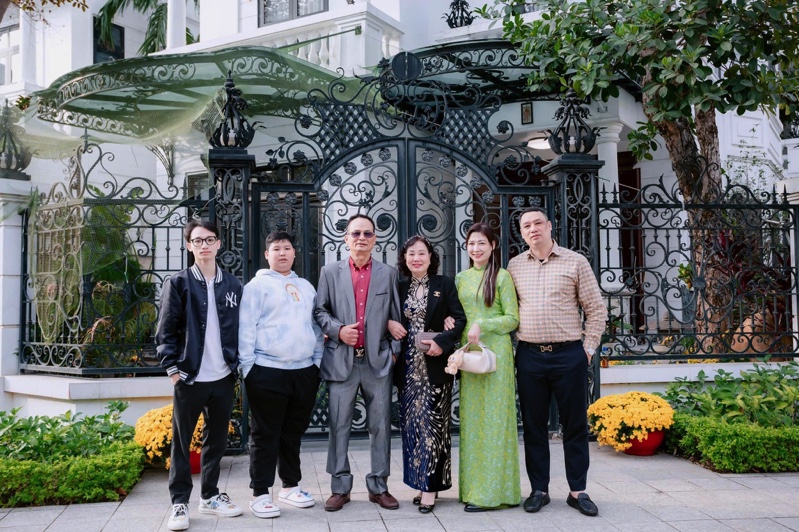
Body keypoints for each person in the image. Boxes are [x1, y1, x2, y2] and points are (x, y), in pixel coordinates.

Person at [507, 207, 605, 517]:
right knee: (533, 426)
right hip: (529, 356)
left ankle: (578, 491)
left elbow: (596, 309)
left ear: (549, 226)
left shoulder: (575, 262)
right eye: (526, 225)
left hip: (568, 354)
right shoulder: (514, 266)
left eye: (538, 222)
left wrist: (587, 349)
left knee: (574, 425)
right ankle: (539, 490)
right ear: (522, 232)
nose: (533, 229)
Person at [156, 219, 243, 531]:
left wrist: (236, 366)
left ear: (218, 243)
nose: (204, 245)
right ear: (188, 245)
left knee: (216, 441)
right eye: (197, 240)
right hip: (189, 377)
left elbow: (239, 327)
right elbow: (165, 329)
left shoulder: (233, 284)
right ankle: (179, 503)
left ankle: (210, 495)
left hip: (223, 376)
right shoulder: (178, 283)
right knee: (181, 444)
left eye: (209, 239)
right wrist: (173, 371)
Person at [313, 213, 404, 512]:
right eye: (356, 233)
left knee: (380, 426)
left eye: (367, 233)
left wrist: (393, 353)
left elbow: (396, 317)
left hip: (378, 362)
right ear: (346, 238)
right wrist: (338, 330)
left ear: (375, 239)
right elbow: (320, 311)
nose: (361, 238)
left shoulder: (388, 274)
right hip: (342, 361)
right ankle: (340, 487)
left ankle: (379, 486)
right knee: (339, 426)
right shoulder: (330, 272)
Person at [238, 231, 324, 519]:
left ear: (294, 253)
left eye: (287, 248)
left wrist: (316, 362)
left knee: (292, 433)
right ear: (267, 255)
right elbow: (246, 327)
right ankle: (260, 493)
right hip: (266, 370)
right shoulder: (256, 287)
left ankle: (290, 486)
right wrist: (248, 368)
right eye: (276, 249)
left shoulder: (306, 287)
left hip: (303, 371)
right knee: (265, 434)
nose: (282, 253)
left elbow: (315, 326)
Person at [394, 235, 467, 514]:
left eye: (421, 253)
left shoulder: (443, 284)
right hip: (408, 370)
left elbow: (459, 319)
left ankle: (430, 489)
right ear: (405, 258)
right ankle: (419, 481)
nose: (416, 258)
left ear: (430, 257)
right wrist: (389, 323)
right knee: (413, 429)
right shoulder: (399, 286)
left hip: (435, 367)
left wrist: (443, 342)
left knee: (434, 429)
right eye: (411, 253)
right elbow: (388, 316)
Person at [454, 222, 521, 512]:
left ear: (492, 246)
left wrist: (484, 323)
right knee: (472, 423)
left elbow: (513, 319)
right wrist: (451, 322)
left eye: (482, 243)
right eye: (471, 243)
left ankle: (494, 494)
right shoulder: (461, 278)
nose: (476, 248)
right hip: (469, 355)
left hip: (496, 355)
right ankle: (473, 489)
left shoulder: (502, 277)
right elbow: (457, 314)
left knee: (495, 422)